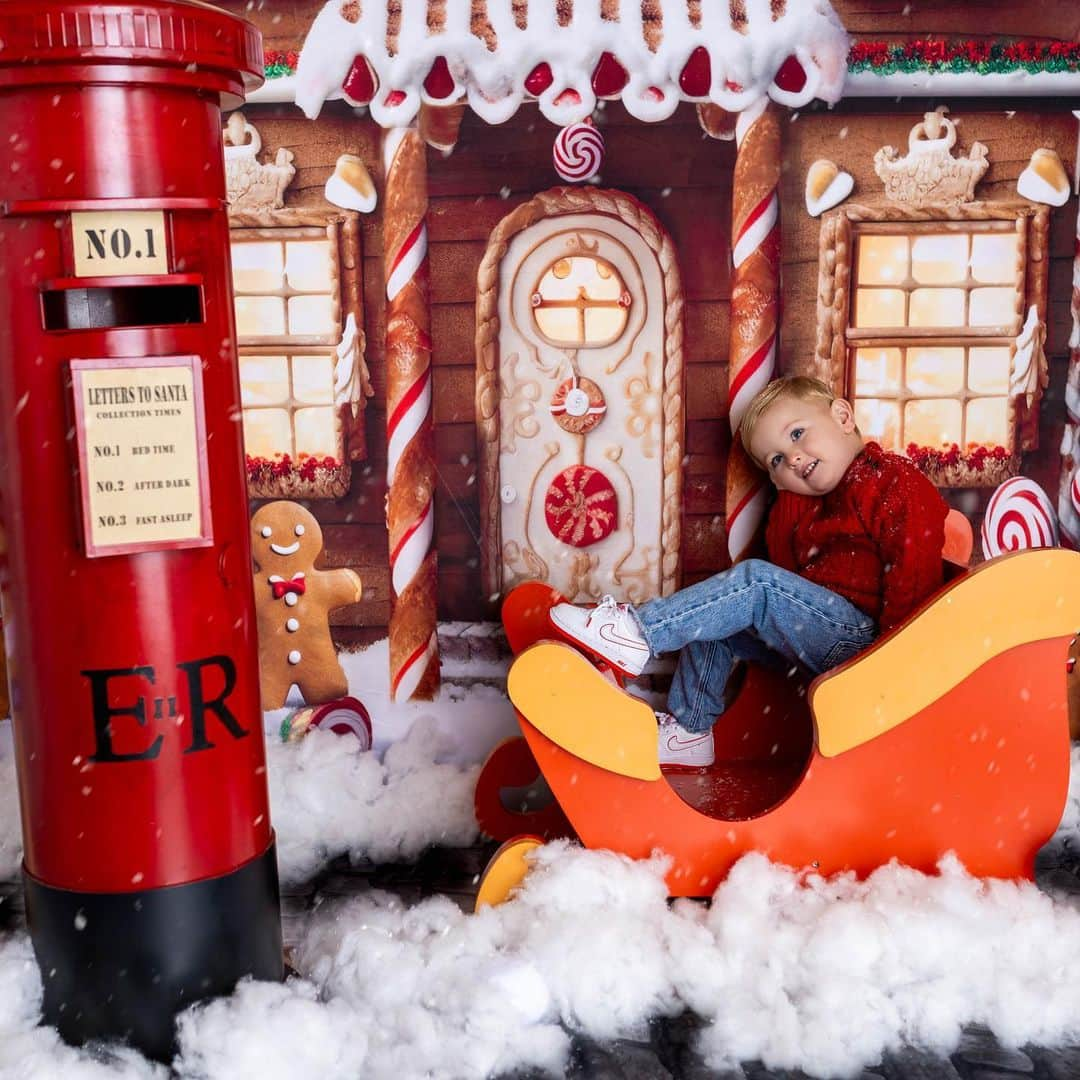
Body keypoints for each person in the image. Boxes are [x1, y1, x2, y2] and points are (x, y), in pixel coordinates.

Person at [549, 375, 949, 769]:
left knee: (753, 582)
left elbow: (912, 571)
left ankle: (636, 633)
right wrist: (792, 497)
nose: (792, 457)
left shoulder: (891, 479)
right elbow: (789, 573)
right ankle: (689, 731)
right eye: (776, 460)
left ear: (843, 417)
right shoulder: (810, 505)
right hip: (819, 636)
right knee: (719, 616)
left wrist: (891, 665)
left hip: (874, 646)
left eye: (797, 434)